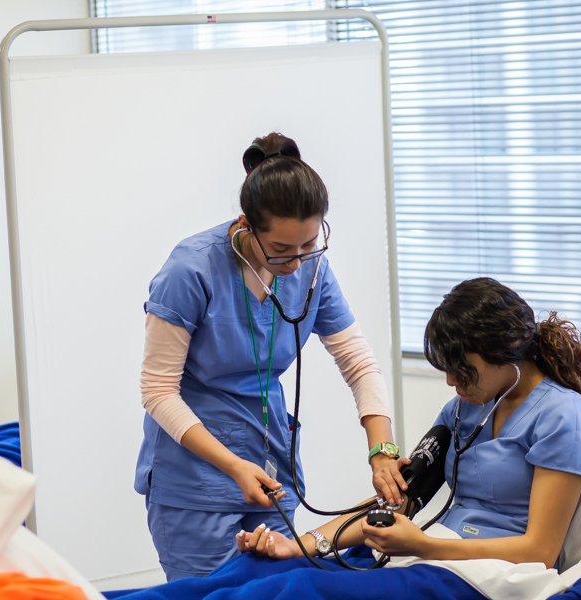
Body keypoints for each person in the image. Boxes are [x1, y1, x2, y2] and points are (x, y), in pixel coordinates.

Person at [134, 132, 405, 581]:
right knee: (208, 596)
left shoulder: (313, 268)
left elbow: (357, 360)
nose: (296, 264)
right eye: (281, 250)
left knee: (275, 591)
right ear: (246, 226)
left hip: (272, 468)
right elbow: (157, 390)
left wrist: (382, 449)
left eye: (308, 245)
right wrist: (233, 465)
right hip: (194, 478)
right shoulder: (190, 271)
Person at [241, 277, 581, 567]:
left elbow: (540, 551)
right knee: (264, 576)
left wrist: (424, 545)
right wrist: (300, 546)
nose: (452, 382)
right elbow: (399, 502)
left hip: (493, 575)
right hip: (435, 556)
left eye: (462, 370)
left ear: (503, 353)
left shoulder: (564, 417)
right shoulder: (463, 408)